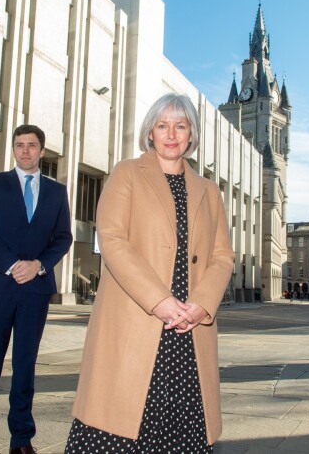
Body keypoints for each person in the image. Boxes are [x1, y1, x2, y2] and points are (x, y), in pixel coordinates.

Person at [65, 93, 234, 452]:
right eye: (163, 125)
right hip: (136, 319)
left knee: (183, 432)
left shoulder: (209, 190)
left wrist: (202, 305)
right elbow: (112, 239)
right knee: (120, 421)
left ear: (191, 135)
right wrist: (159, 300)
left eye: (180, 126)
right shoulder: (127, 173)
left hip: (188, 329)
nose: (171, 134)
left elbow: (223, 256)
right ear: (151, 133)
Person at [0, 124, 73, 454]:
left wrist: (39, 265)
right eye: (19, 145)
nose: (25, 150)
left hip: (35, 290)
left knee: (25, 364)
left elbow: (63, 238)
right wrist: (14, 265)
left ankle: (21, 439)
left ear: (42, 151)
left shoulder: (57, 192)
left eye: (31, 145)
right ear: (13, 150)